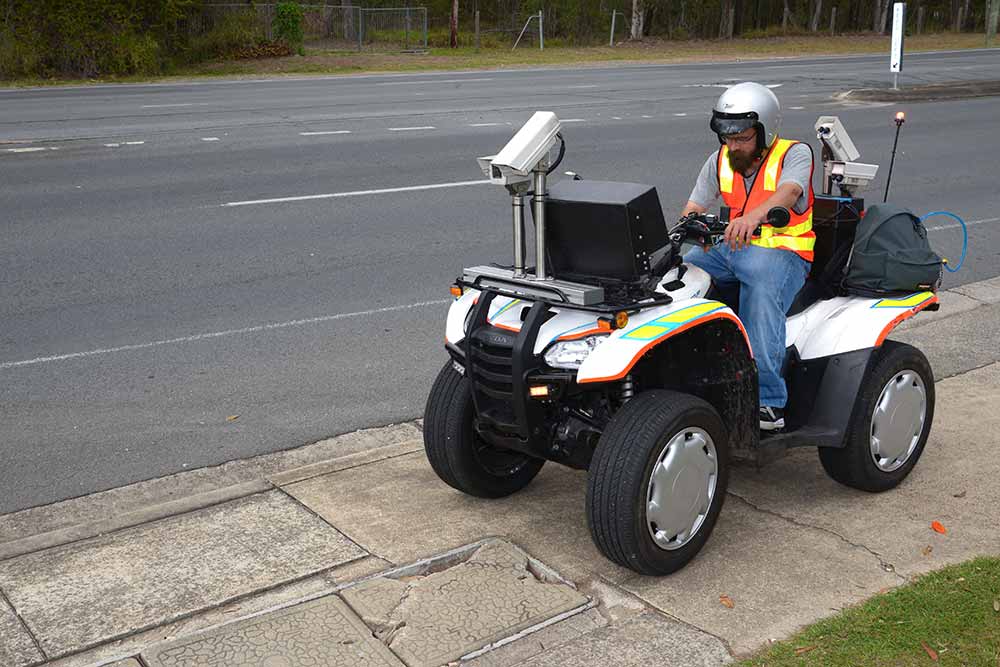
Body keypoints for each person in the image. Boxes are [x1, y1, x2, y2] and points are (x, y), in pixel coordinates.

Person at [682, 82, 815, 431]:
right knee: (681, 272)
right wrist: (691, 225)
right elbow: (695, 204)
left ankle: (769, 401)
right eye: (727, 137)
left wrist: (752, 217)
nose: (733, 145)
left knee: (758, 289)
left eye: (742, 138)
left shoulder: (794, 154)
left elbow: (790, 191)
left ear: (764, 131)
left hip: (784, 252)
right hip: (731, 248)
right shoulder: (720, 159)